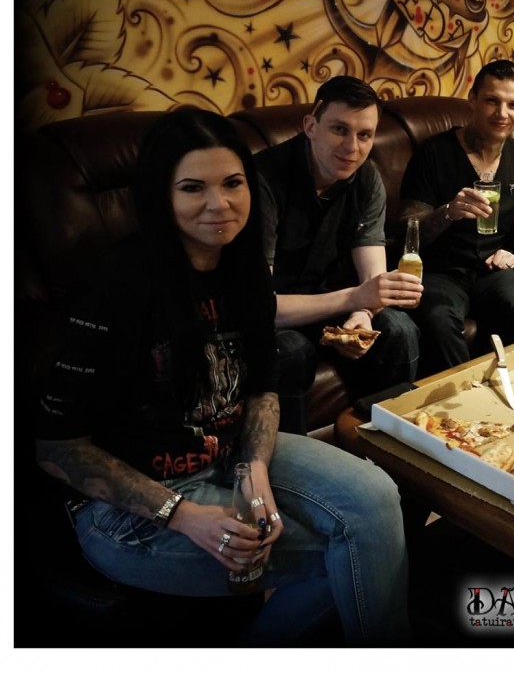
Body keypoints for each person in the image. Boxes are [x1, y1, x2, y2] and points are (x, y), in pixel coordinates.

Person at [34, 108, 410, 645]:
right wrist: (182, 514)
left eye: (233, 183)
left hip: (227, 453)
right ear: (161, 195)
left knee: (375, 498)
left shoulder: (243, 265)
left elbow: (262, 388)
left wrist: (253, 470)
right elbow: (56, 446)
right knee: (355, 550)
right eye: (193, 188)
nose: (220, 204)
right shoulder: (117, 284)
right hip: (127, 505)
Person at [256, 76, 421, 433]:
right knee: (292, 352)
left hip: (332, 302)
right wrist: (356, 298)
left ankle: (384, 444)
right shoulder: (263, 181)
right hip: (276, 314)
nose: (352, 147)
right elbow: (262, 308)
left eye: (365, 135)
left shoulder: (367, 179)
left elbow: (372, 279)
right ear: (310, 126)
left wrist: (362, 312)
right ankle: (290, 459)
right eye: (339, 130)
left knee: (399, 331)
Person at [399, 59, 514, 376]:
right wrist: (447, 212)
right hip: (442, 271)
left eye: (512, 105)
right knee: (438, 319)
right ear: (473, 99)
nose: (502, 113)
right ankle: (458, 400)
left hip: (494, 268)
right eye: (491, 100)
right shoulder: (433, 153)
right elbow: (407, 231)